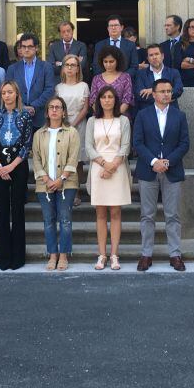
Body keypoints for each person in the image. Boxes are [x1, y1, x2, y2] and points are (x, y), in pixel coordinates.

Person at [133, 78, 189, 272]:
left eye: (169, 91)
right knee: (147, 215)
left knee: (172, 215)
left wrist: (168, 161)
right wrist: (153, 162)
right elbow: (138, 142)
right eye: (163, 91)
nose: (167, 94)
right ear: (154, 94)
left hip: (171, 170)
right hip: (148, 170)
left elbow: (184, 144)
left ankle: (175, 255)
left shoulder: (179, 115)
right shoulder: (142, 115)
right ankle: (146, 254)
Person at [0, 81, 33, 271]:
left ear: (16, 94)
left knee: (17, 211)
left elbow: (27, 144)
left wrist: (11, 166)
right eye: (4, 92)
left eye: (10, 92)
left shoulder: (25, 115)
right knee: (2, 212)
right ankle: (3, 257)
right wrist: (0, 167)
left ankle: (18, 257)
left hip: (18, 165)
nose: (7, 95)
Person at [86, 86, 132, 270]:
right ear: (98, 100)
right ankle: (102, 255)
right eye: (103, 97)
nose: (107, 100)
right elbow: (89, 147)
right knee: (100, 213)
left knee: (115, 213)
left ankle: (114, 255)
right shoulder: (92, 121)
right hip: (98, 168)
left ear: (115, 100)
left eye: (110, 97)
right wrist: (105, 165)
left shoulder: (123, 121)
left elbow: (126, 146)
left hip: (118, 167)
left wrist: (113, 166)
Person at [32, 97, 80, 271]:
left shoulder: (72, 132)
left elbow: (74, 157)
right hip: (44, 184)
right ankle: (52, 254)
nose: (54, 110)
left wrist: (61, 179)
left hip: (67, 184)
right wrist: (46, 179)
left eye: (58, 107)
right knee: (48, 220)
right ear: (46, 112)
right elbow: (36, 158)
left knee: (65, 220)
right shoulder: (39, 134)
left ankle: (64, 255)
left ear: (63, 112)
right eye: (51, 107)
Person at [6, 32, 56, 130]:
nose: (26, 49)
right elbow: (8, 91)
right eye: (23, 46)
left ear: (36, 48)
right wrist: (22, 107)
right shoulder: (12, 68)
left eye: (30, 46)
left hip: (40, 118)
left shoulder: (46, 67)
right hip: (17, 118)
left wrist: (33, 106)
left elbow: (49, 90)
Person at [55, 55, 89, 196]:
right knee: (63, 158)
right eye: (67, 65)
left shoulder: (83, 86)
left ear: (78, 68)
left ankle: (76, 192)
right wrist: (63, 123)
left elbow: (86, 108)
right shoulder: (58, 87)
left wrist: (73, 124)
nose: (70, 68)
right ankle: (64, 190)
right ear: (63, 68)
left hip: (79, 124)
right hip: (61, 124)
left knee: (78, 160)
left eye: (73, 65)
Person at [133, 43, 184, 112]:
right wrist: (166, 97)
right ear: (147, 58)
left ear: (162, 56)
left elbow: (178, 91)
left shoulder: (173, 72)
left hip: (170, 111)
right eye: (151, 55)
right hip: (148, 113)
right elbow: (140, 95)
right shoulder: (140, 74)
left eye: (157, 54)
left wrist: (152, 90)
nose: (154, 57)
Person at [89, 45, 134, 116]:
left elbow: (127, 100)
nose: (108, 65)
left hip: (120, 117)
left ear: (117, 61)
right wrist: (104, 116)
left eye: (111, 61)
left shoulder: (125, 77)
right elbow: (93, 101)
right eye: (105, 62)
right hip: (100, 118)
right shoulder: (96, 79)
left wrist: (114, 116)